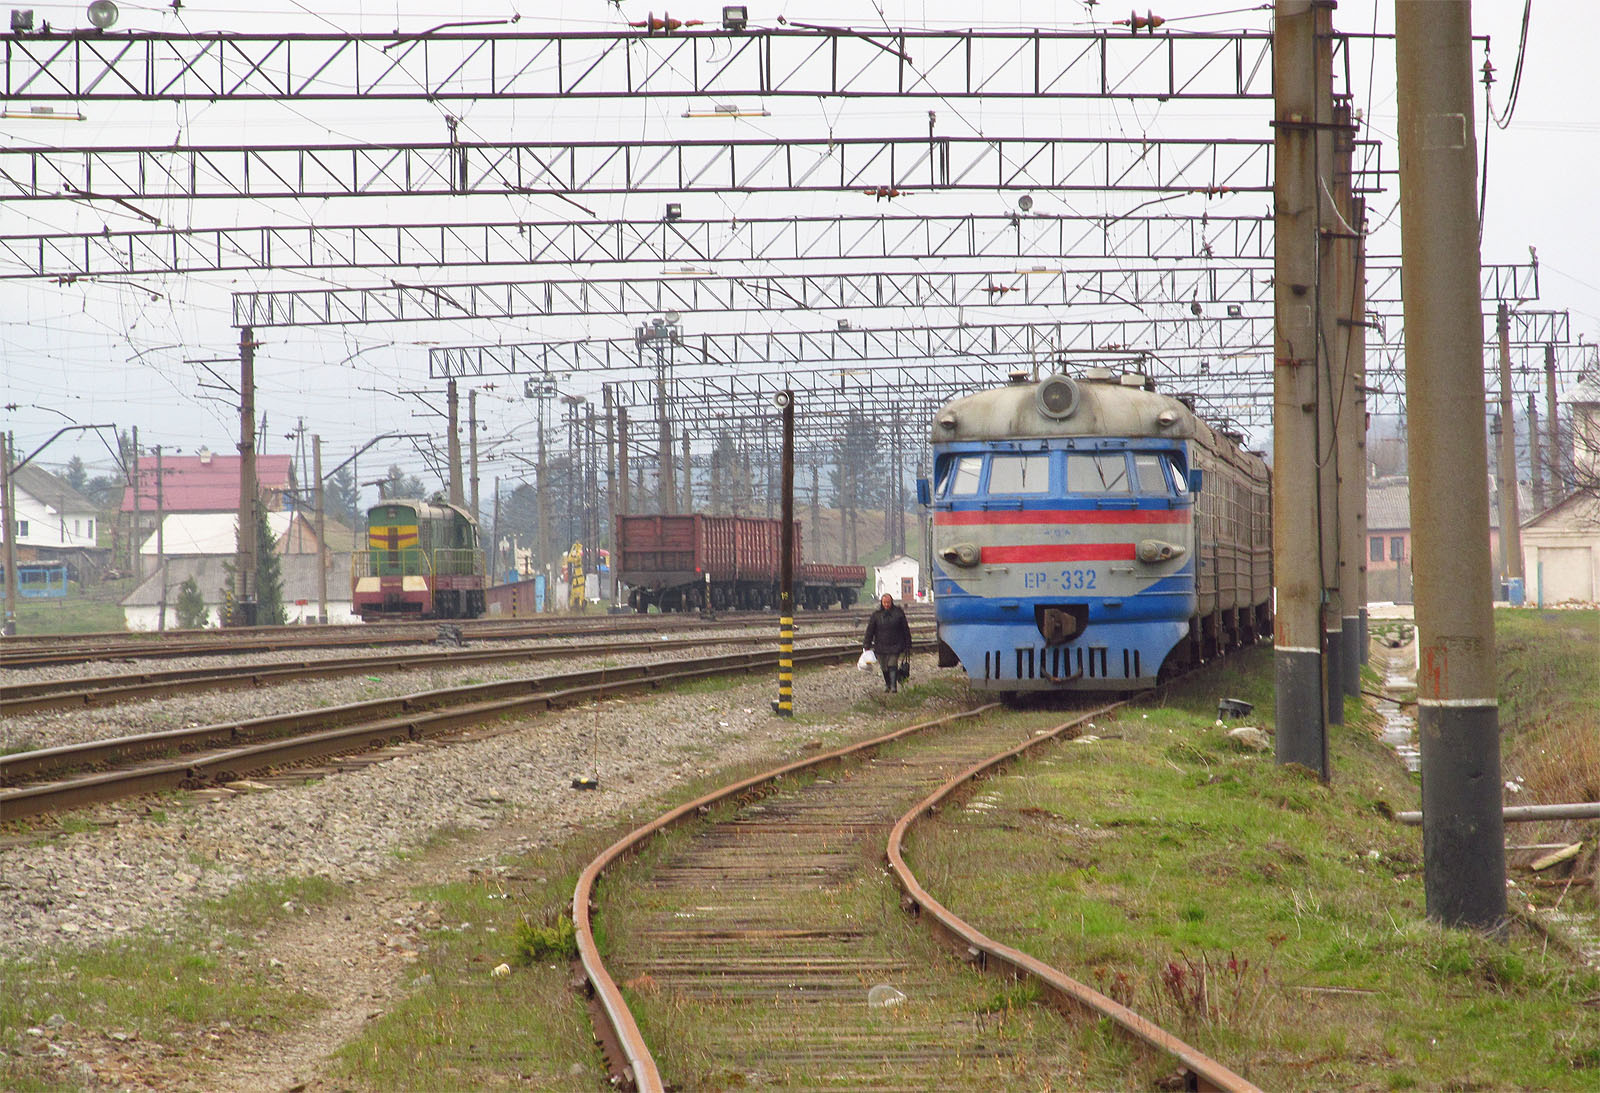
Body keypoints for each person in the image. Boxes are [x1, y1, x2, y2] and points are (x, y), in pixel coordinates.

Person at [863, 592, 912, 693]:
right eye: (884, 602)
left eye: (888, 602)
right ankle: (888, 684)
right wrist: (866, 644)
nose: (886, 605)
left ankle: (893, 686)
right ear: (881, 602)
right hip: (880, 645)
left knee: (892, 664)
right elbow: (870, 630)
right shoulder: (876, 615)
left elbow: (905, 629)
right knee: (884, 666)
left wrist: (908, 643)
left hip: (895, 644)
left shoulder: (898, 613)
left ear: (891, 602)